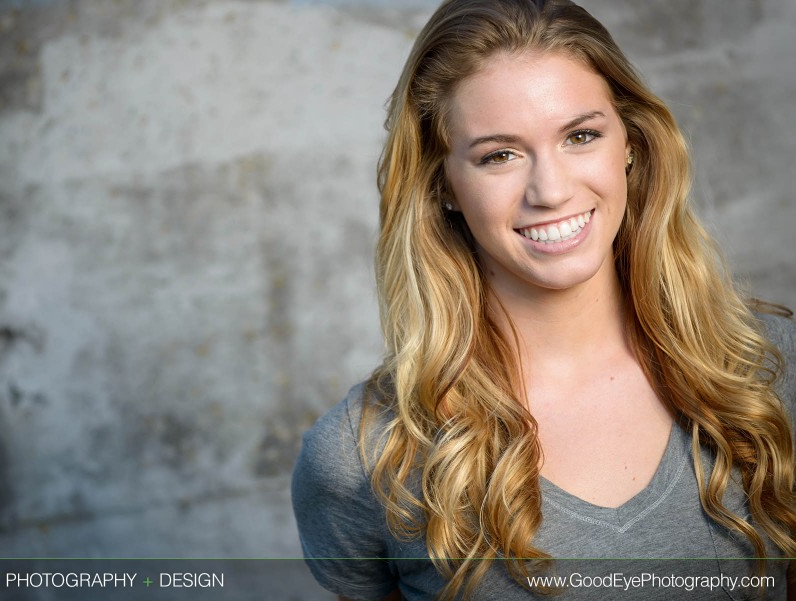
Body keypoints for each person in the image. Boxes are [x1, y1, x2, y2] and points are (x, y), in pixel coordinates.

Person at [291, 0, 796, 599]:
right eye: (498, 155)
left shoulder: (769, 368)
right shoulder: (364, 457)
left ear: (629, 146)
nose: (551, 191)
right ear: (443, 185)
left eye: (580, 136)